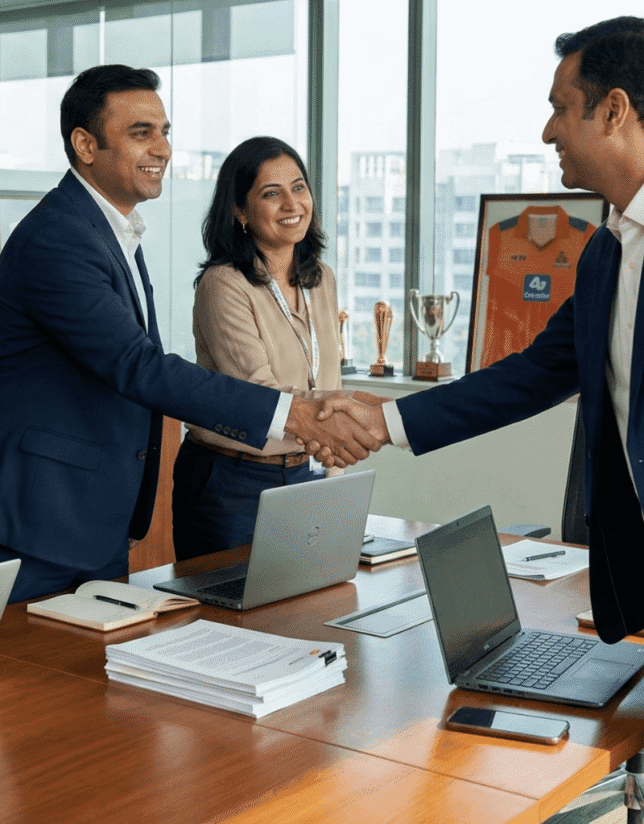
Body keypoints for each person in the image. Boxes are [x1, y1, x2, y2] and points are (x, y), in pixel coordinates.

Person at [320, 16, 644, 824]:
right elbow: (536, 373)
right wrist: (387, 423)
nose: (546, 131)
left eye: (558, 108)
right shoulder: (606, 248)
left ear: (612, 111)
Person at [0, 65, 378, 603]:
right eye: (140, 133)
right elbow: (139, 366)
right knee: (33, 683)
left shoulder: (110, 230)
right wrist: (294, 413)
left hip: (91, 519)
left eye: (165, 131)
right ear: (85, 144)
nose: (163, 149)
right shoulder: (58, 239)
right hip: (43, 522)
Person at [172, 136, 344, 559]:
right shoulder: (224, 284)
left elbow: (329, 378)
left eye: (298, 187)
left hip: (306, 471)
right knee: (232, 617)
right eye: (272, 193)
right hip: (231, 482)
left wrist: (334, 474)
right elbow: (259, 396)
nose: (292, 204)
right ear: (239, 210)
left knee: (305, 613)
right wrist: (346, 421)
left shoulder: (320, 278)